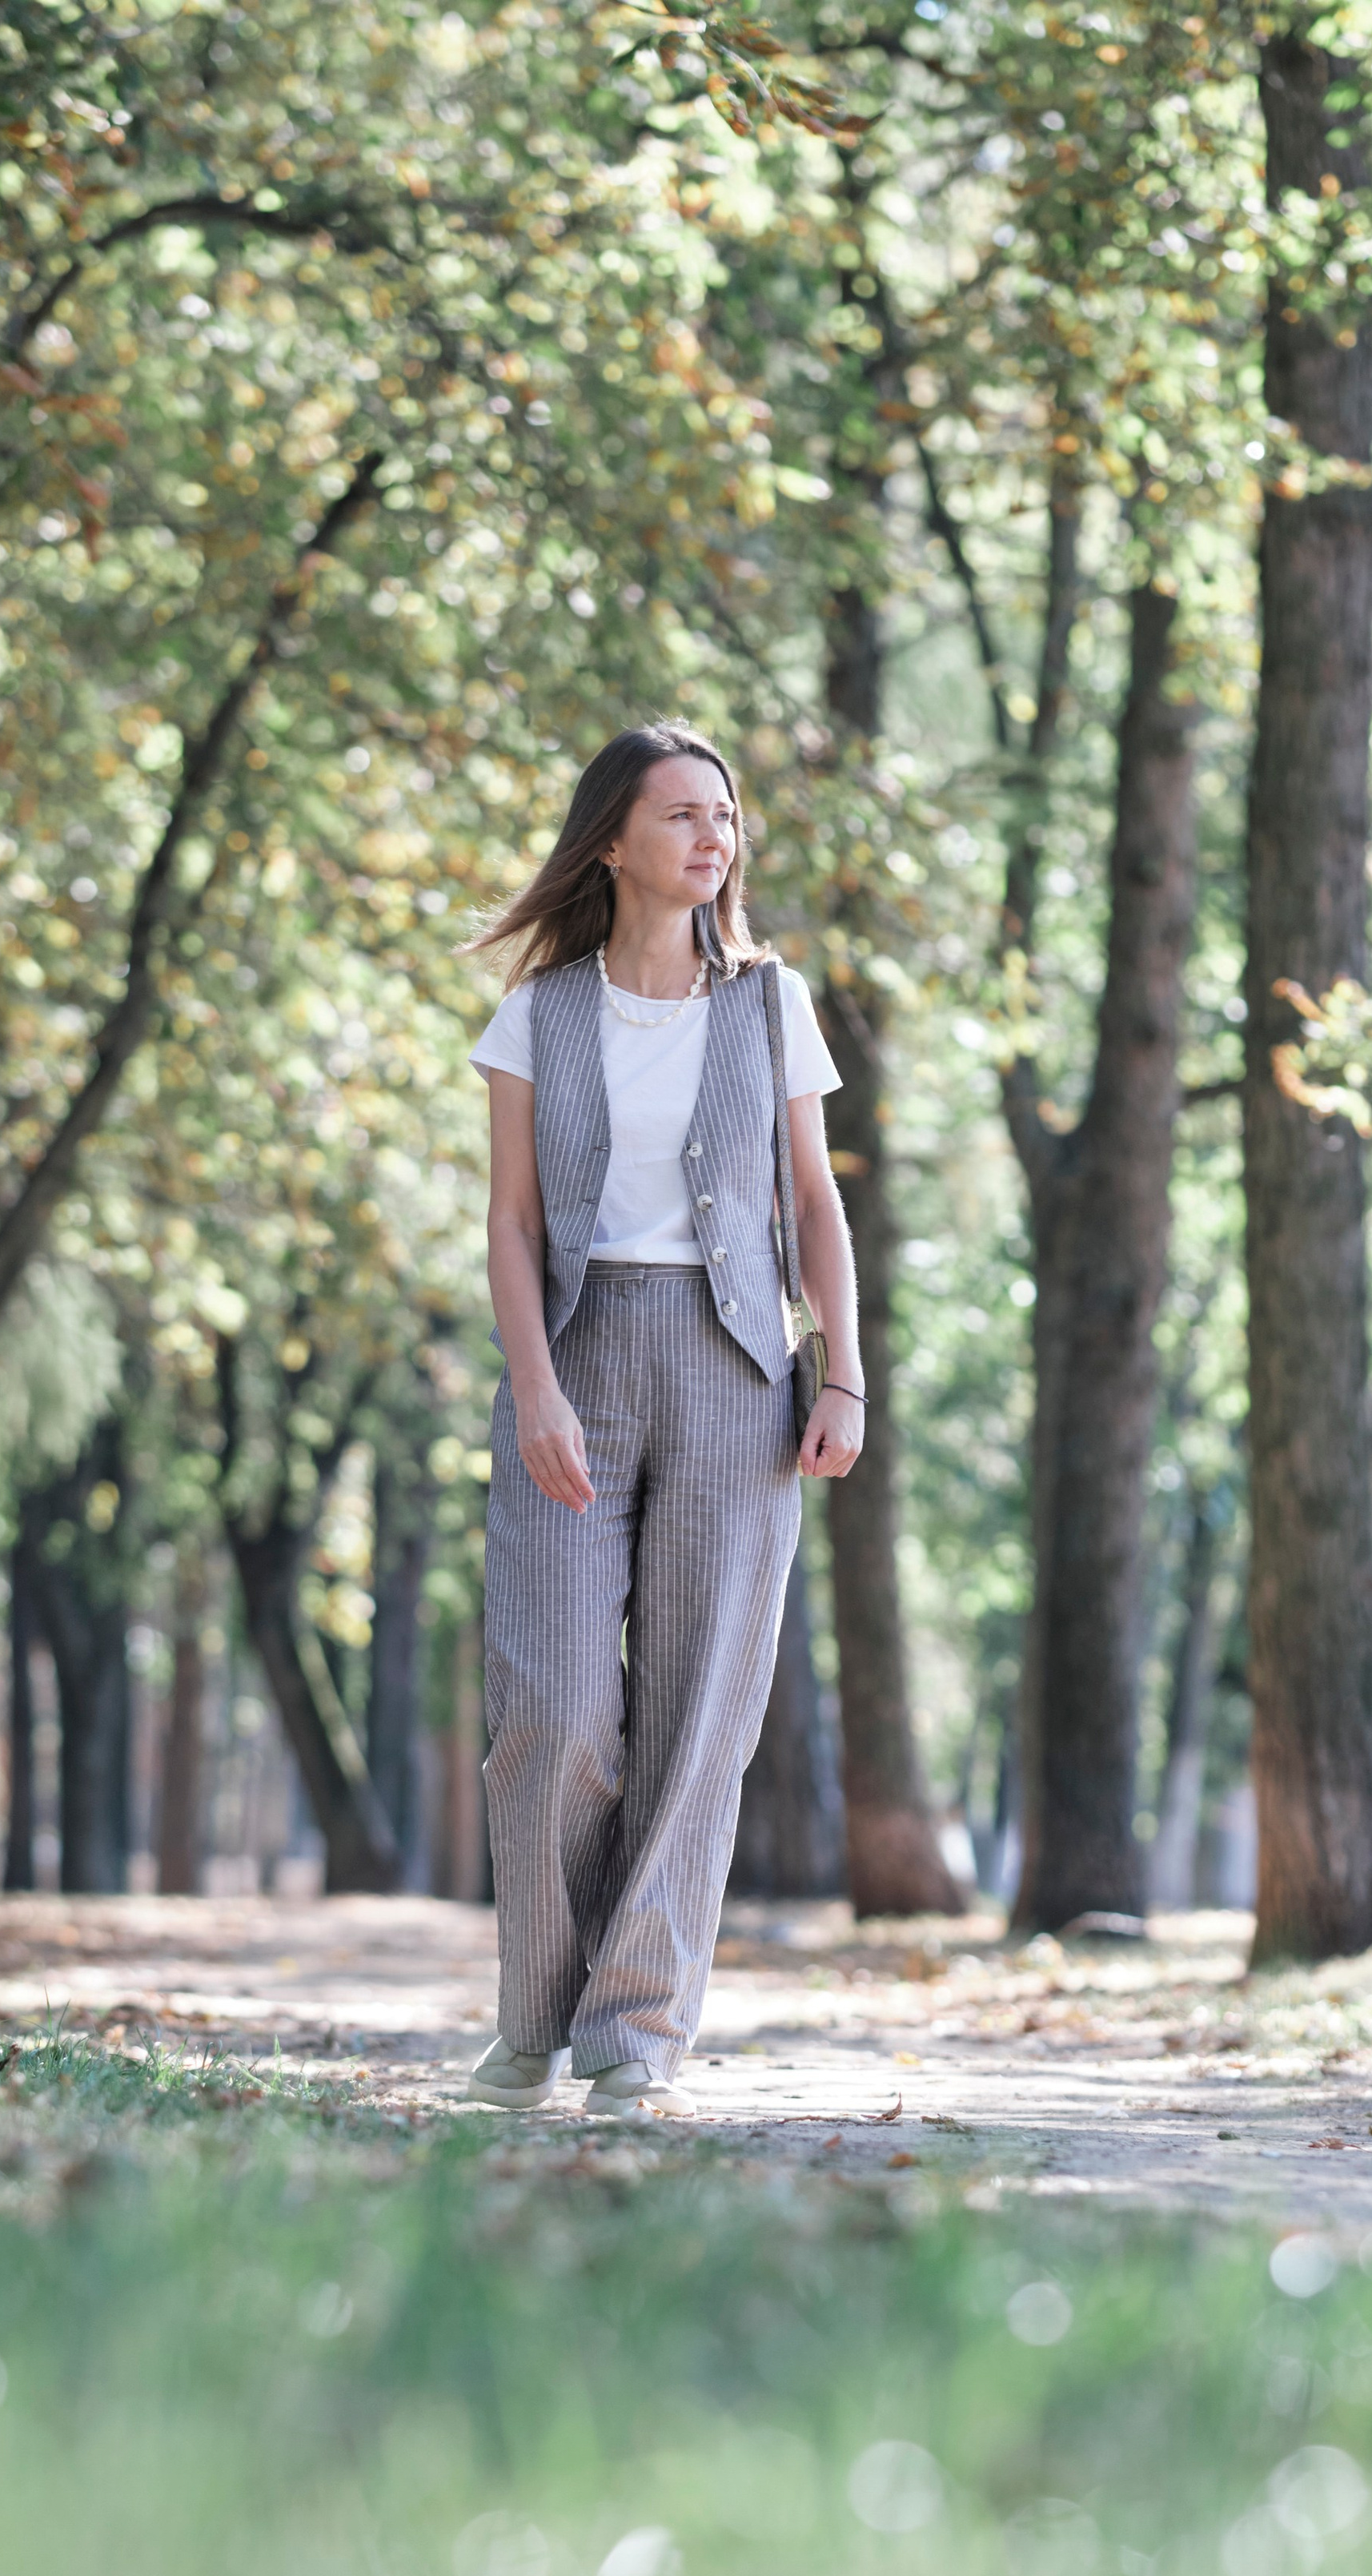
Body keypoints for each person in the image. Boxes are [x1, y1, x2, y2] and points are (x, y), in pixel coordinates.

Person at [463, 721, 866, 2120]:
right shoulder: (541, 1013)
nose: (714, 838)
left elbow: (813, 1204)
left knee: (702, 1716)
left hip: (736, 1368)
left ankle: (634, 2038)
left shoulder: (769, 1004)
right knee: (555, 1710)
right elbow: (511, 1227)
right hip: (575, 1363)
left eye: (725, 816)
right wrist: (534, 1389)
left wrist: (844, 1374)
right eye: (683, 814)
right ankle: (533, 2022)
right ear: (614, 840)